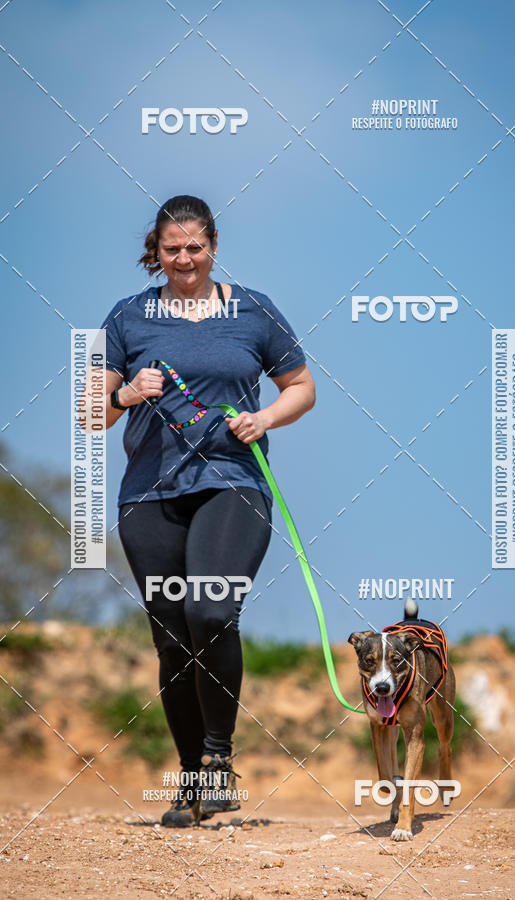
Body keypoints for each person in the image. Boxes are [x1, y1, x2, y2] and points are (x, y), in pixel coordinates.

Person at [97, 195, 315, 826]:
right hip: (149, 495)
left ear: (214, 246)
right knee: (172, 640)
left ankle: (219, 758)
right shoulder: (126, 317)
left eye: (195, 247)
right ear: (156, 252)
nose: (185, 259)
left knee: (211, 609)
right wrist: (126, 393)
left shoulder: (253, 310)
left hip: (233, 484)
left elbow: (302, 387)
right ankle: (192, 780)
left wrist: (264, 418)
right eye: (172, 249)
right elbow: (89, 414)